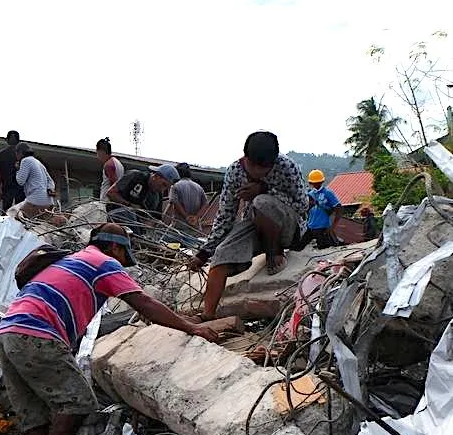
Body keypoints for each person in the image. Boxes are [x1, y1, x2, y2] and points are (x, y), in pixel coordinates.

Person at [0, 223, 218, 435]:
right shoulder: (104, 263)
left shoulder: (71, 260)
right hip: (36, 332)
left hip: (7, 332)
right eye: (125, 254)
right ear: (114, 247)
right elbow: (143, 303)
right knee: (78, 401)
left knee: (34, 414)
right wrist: (191, 328)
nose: (125, 262)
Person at [187, 131, 307, 320]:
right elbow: (226, 215)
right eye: (254, 166)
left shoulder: (287, 167)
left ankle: (274, 252)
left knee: (261, 202)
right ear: (245, 158)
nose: (259, 172)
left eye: (265, 168)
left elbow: (302, 205)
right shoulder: (235, 172)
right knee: (222, 253)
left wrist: (266, 189)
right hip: (255, 223)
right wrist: (204, 253)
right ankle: (208, 314)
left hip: (287, 226)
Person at [106, 163, 179, 214]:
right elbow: (111, 193)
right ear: (156, 176)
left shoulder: (157, 196)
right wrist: (129, 205)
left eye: (166, 188)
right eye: (163, 184)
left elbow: (154, 218)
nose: (162, 189)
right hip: (116, 217)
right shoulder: (135, 176)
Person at [298, 169, 342, 249]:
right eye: (313, 182)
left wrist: (332, 226)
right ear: (311, 183)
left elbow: (338, 209)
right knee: (299, 247)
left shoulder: (328, 193)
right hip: (310, 227)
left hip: (323, 227)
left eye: (317, 182)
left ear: (322, 181)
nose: (315, 184)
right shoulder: (310, 194)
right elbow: (305, 210)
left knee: (324, 250)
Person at [14, 142, 57, 218]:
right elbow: (51, 181)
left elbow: (20, 181)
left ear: (20, 152)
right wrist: (50, 190)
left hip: (35, 200)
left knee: (15, 216)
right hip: (49, 202)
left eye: (16, 153)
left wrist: (18, 169)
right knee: (41, 225)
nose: (16, 156)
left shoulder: (25, 161)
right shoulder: (38, 162)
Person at [0, 130, 25, 212]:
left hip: (10, 188)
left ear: (7, 140)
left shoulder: (1, 154)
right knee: (20, 211)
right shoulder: (23, 154)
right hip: (18, 188)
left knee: (7, 212)